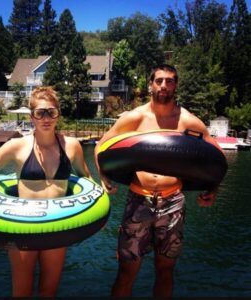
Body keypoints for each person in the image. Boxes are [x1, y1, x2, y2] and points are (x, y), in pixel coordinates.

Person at [94, 64, 222, 298]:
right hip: (138, 200)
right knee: (126, 270)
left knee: (165, 271)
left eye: (170, 81)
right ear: (150, 84)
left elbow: (216, 159)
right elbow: (102, 146)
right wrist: (104, 175)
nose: (164, 86)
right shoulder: (135, 117)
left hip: (173, 202)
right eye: (159, 80)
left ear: (176, 85)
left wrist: (213, 187)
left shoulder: (189, 122)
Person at [0, 86, 91, 297]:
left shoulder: (72, 146)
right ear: (32, 116)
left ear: (58, 114)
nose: (46, 118)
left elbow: (86, 178)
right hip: (22, 229)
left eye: (51, 112)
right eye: (40, 113)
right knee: (21, 292)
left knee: (49, 292)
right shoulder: (17, 146)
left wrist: (100, 194)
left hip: (56, 229)